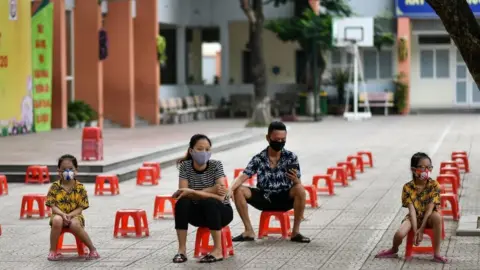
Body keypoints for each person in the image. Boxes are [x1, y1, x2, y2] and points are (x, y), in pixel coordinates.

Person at [229, 121, 310, 243]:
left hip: (285, 197)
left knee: (300, 189)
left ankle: (295, 232)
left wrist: (296, 180)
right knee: (238, 189)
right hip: (264, 197)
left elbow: (298, 183)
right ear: (268, 138)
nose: (280, 142)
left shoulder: (290, 157)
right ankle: (248, 231)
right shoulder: (259, 158)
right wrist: (230, 188)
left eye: (283, 139)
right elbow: (243, 176)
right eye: (277, 139)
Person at [375, 152, 448, 263]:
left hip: (429, 217)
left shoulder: (434, 185)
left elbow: (429, 209)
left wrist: (422, 228)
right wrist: (415, 230)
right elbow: (412, 210)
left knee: (437, 217)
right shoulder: (408, 187)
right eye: (423, 167)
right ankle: (394, 249)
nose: (426, 171)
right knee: (399, 234)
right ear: (414, 169)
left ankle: (437, 254)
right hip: (413, 217)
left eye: (429, 167)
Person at [172, 134, 233, 264]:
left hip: (222, 213)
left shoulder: (216, 165)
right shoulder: (185, 166)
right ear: (191, 151)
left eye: (207, 149)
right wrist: (211, 190)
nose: (204, 153)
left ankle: (217, 250)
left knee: (210, 202)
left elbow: (221, 196)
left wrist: (193, 192)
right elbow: (184, 193)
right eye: (200, 149)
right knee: (182, 203)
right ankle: (181, 250)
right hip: (198, 214)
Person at [45, 154, 99, 261]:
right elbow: (52, 205)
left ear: (76, 171)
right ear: (59, 171)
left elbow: (81, 207)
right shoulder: (55, 187)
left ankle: (92, 249)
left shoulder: (80, 187)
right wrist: (62, 214)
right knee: (57, 220)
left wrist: (69, 215)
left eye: (70, 169)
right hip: (58, 214)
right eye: (64, 169)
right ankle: (53, 250)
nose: (67, 172)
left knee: (74, 224)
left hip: (75, 216)